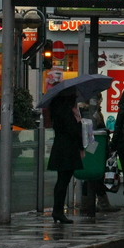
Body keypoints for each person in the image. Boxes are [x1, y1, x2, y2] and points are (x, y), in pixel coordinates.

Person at [48, 92, 84, 224]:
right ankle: (57, 211)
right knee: (63, 181)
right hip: (67, 151)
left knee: (62, 181)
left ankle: (57, 211)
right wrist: (78, 121)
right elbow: (73, 131)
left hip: (61, 150)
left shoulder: (57, 113)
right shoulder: (67, 113)